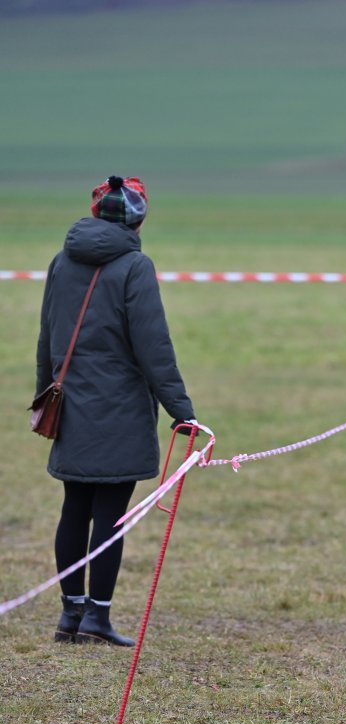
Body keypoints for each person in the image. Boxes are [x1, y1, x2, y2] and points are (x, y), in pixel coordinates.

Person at [35, 175, 198, 647]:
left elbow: (47, 335)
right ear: (139, 219)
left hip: (68, 403)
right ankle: (97, 617)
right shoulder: (135, 266)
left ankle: (71, 614)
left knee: (74, 507)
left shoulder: (61, 261)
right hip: (121, 408)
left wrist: (44, 395)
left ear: (95, 212)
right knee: (110, 514)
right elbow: (153, 345)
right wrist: (182, 410)